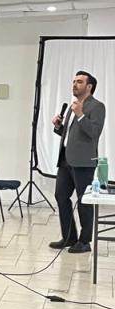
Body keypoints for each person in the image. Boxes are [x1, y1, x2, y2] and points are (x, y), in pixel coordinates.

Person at [51, 70, 107, 253]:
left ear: (89, 86)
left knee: (84, 201)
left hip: (83, 162)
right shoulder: (73, 106)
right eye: (74, 81)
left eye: (79, 82)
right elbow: (71, 135)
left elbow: (94, 133)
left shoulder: (97, 106)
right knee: (61, 196)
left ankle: (84, 242)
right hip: (66, 160)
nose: (74, 84)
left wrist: (81, 115)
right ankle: (69, 237)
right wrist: (59, 127)